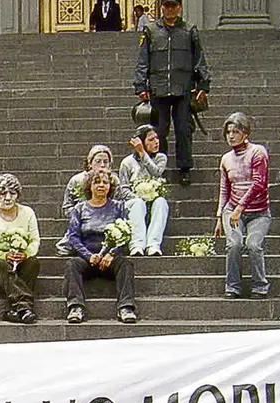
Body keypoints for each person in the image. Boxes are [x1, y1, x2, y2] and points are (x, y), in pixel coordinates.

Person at [133, 0, 210, 186]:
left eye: (173, 6)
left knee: (184, 129)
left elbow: (199, 57)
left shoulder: (189, 30)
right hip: (159, 89)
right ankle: (160, 166)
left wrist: (203, 84)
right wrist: (140, 85)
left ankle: (185, 168)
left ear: (179, 8)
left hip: (183, 89)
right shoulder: (151, 31)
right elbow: (143, 59)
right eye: (167, 6)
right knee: (159, 131)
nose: (170, 10)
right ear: (162, 8)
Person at [62, 169, 138, 324]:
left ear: (110, 186)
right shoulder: (79, 209)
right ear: (89, 186)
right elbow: (74, 237)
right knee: (71, 264)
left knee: (125, 264)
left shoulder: (118, 207)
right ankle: (76, 307)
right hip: (88, 257)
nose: (101, 185)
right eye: (97, 182)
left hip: (110, 258)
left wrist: (112, 253)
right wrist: (88, 255)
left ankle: (126, 307)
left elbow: (125, 234)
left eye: (105, 182)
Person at [215, 112, 270, 299]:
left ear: (245, 133)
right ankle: (232, 286)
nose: (231, 135)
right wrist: (219, 216)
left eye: (235, 131)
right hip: (231, 209)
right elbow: (224, 188)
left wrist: (240, 208)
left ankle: (260, 286)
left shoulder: (258, 152)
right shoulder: (226, 159)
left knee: (253, 244)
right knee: (234, 244)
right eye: (228, 131)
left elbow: (259, 183)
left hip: (258, 211)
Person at [0, 173, 41, 325]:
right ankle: (25, 307)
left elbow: (35, 241)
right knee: (2, 265)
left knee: (33, 263)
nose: (8, 197)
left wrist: (25, 254)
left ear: (18, 195)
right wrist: (4, 255)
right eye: (2, 193)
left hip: (20, 260)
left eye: (12, 193)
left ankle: (17, 311)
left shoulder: (28, 213)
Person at [119, 124, 169, 256]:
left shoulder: (161, 158)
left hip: (153, 199)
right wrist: (137, 197)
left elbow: (157, 173)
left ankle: (153, 244)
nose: (156, 142)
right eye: (151, 139)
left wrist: (143, 154)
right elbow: (123, 189)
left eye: (156, 138)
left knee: (161, 202)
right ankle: (137, 244)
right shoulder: (127, 162)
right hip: (134, 201)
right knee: (137, 204)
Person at [61, 144, 119, 219]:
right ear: (90, 163)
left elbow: (119, 203)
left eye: (105, 162)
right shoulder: (77, 180)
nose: (102, 165)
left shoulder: (114, 180)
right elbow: (67, 206)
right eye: (98, 161)